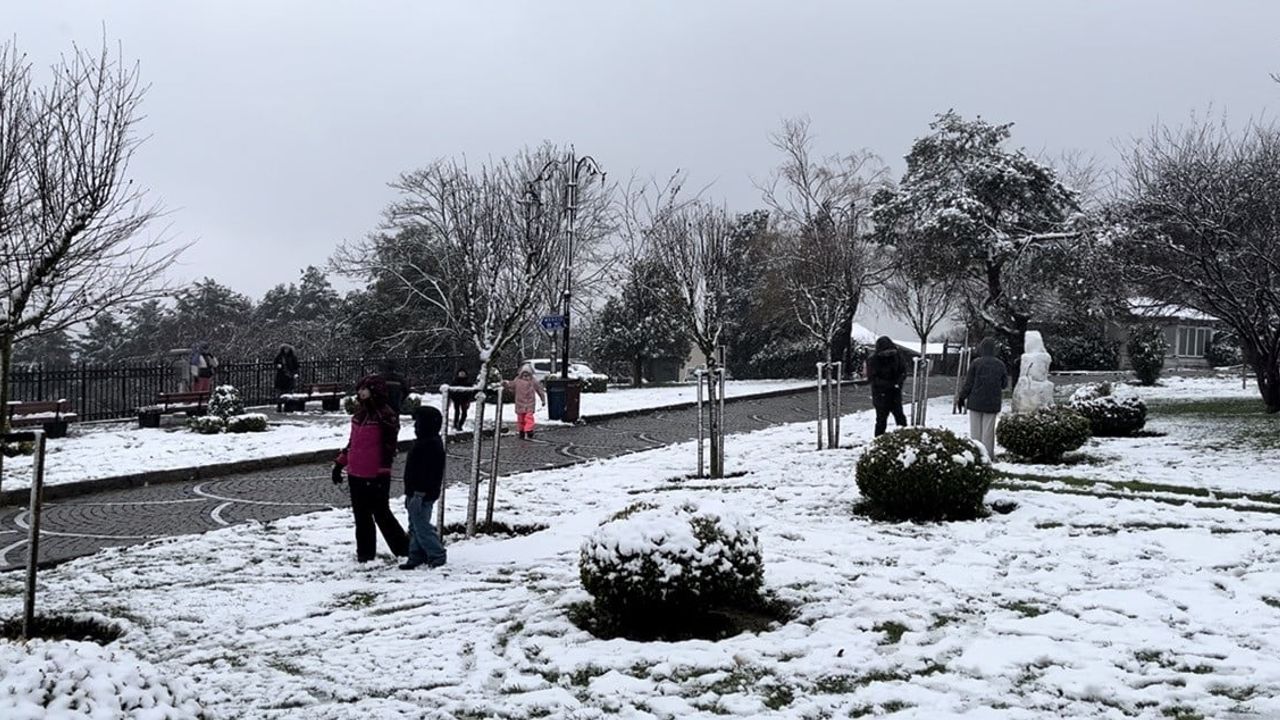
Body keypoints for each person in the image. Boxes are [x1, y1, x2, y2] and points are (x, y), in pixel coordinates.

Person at [332, 374, 409, 562]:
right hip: (355, 472)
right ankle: (365, 553)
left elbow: (389, 446)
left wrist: (384, 469)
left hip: (375, 474)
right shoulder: (359, 415)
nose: (360, 392)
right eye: (360, 389)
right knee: (361, 516)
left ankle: (403, 549)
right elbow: (353, 443)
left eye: (364, 389)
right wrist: (340, 463)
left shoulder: (385, 415)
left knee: (382, 513)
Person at [400, 405, 448, 570]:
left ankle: (436, 554)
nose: (415, 426)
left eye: (418, 423)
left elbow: (428, 473)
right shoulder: (424, 442)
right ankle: (416, 554)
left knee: (421, 526)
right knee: (414, 525)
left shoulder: (430, 445)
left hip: (422, 493)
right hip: (415, 491)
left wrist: (419, 493)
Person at [956, 337, 1009, 459]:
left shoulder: (976, 363)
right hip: (992, 402)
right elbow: (1004, 384)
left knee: (975, 431)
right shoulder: (1000, 364)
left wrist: (961, 397)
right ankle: (988, 455)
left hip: (975, 401)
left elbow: (968, 383)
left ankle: (976, 454)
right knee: (988, 431)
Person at [865, 336, 908, 436]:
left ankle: (904, 437)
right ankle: (878, 440)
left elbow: (903, 371)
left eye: (890, 352)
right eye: (886, 352)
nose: (888, 354)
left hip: (895, 393)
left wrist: (898, 382)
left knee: (900, 417)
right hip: (880, 394)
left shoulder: (897, 357)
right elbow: (872, 378)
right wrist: (889, 384)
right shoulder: (873, 360)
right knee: (881, 419)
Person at [504, 365, 546, 440]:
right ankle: (522, 430)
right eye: (524, 374)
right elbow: (511, 385)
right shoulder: (518, 380)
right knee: (521, 418)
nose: (525, 376)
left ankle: (528, 430)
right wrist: (506, 384)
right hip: (520, 402)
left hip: (529, 402)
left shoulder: (533, 381)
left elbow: (540, 390)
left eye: (527, 374)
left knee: (528, 417)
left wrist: (543, 399)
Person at [273, 344, 300, 410]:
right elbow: (275, 362)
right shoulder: (280, 356)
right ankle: (279, 406)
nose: (286, 350)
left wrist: (295, 373)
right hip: (281, 377)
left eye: (287, 349)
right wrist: (277, 365)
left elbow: (296, 366)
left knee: (288, 392)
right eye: (285, 349)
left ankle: (287, 406)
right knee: (279, 392)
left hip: (289, 377)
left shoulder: (293, 357)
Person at [449, 367, 473, 431]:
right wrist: (452, 398)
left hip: (464, 400)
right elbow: (452, 391)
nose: (462, 374)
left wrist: (469, 399)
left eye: (463, 373)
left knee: (464, 413)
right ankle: (455, 424)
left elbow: (470, 392)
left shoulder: (468, 382)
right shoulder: (455, 381)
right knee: (457, 412)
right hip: (457, 399)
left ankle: (460, 425)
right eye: (460, 373)